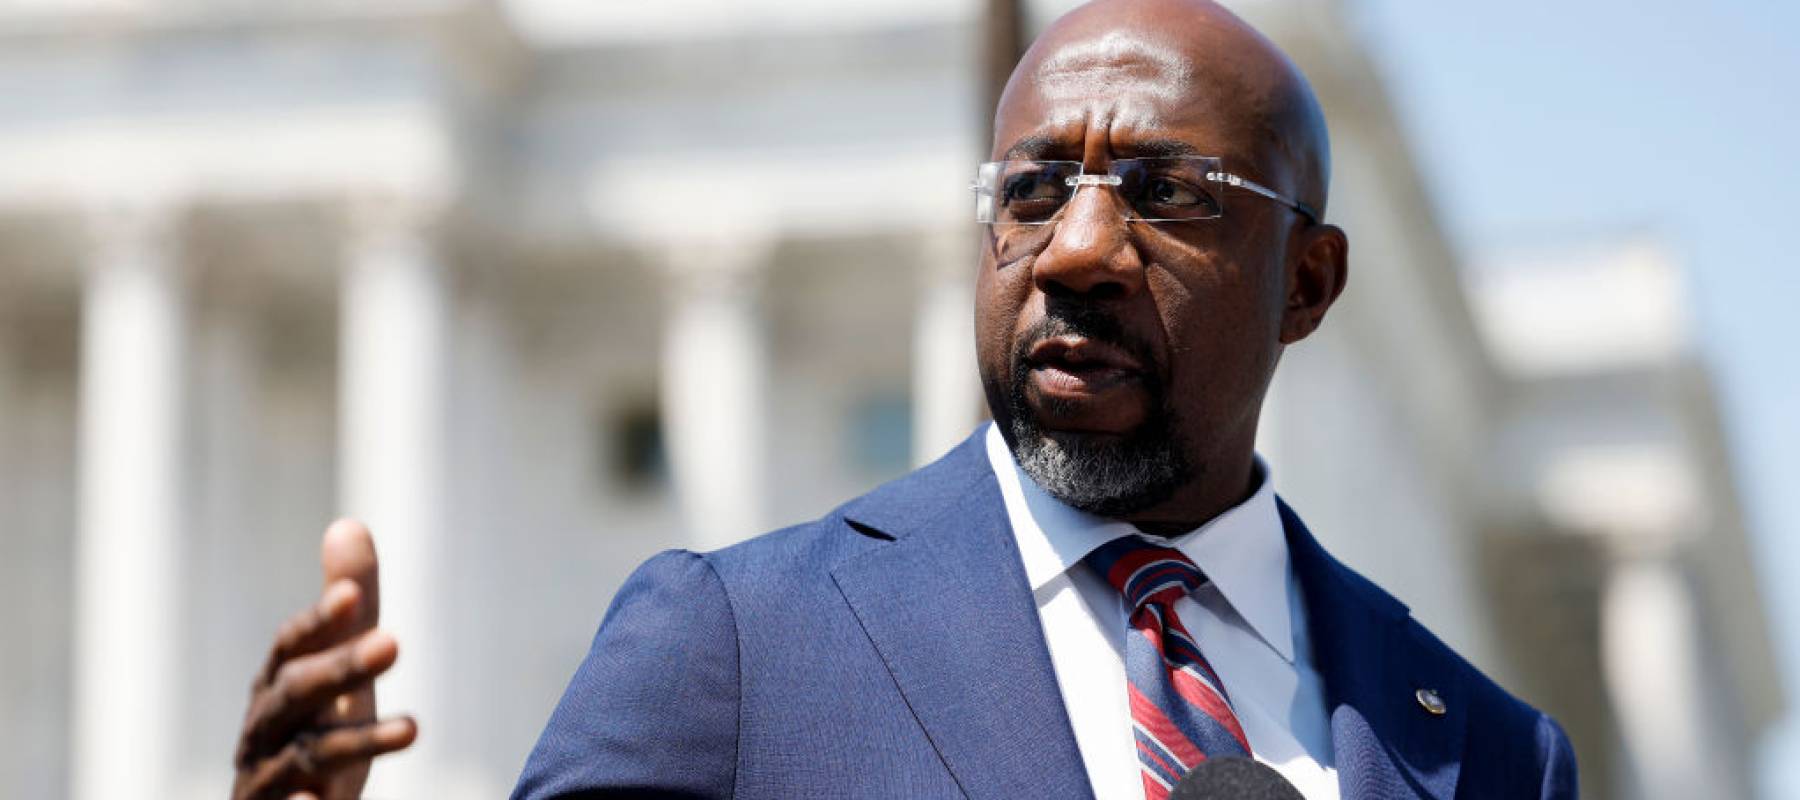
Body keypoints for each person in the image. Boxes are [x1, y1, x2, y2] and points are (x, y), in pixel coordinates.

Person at [230, 0, 1578, 798]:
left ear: (1308, 282)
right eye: (1032, 191)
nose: (1079, 249)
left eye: (1166, 195)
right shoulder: (737, 645)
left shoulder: (1488, 751)